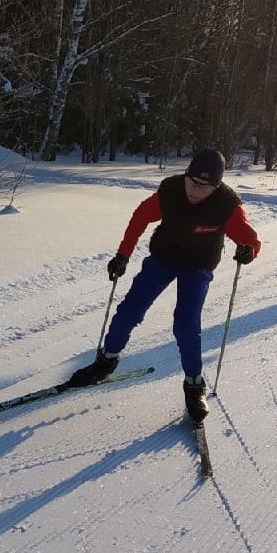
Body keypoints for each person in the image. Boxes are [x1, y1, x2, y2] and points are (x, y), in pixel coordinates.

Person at [67, 148, 260, 422]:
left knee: (185, 324)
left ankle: (194, 386)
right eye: (192, 181)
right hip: (164, 256)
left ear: (216, 186)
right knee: (130, 310)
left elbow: (250, 238)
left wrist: (249, 251)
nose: (195, 190)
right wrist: (123, 254)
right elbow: (140, 217)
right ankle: (106, 361)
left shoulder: (227, 205)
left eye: (204, 186)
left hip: (198, 265)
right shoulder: (170, 191)